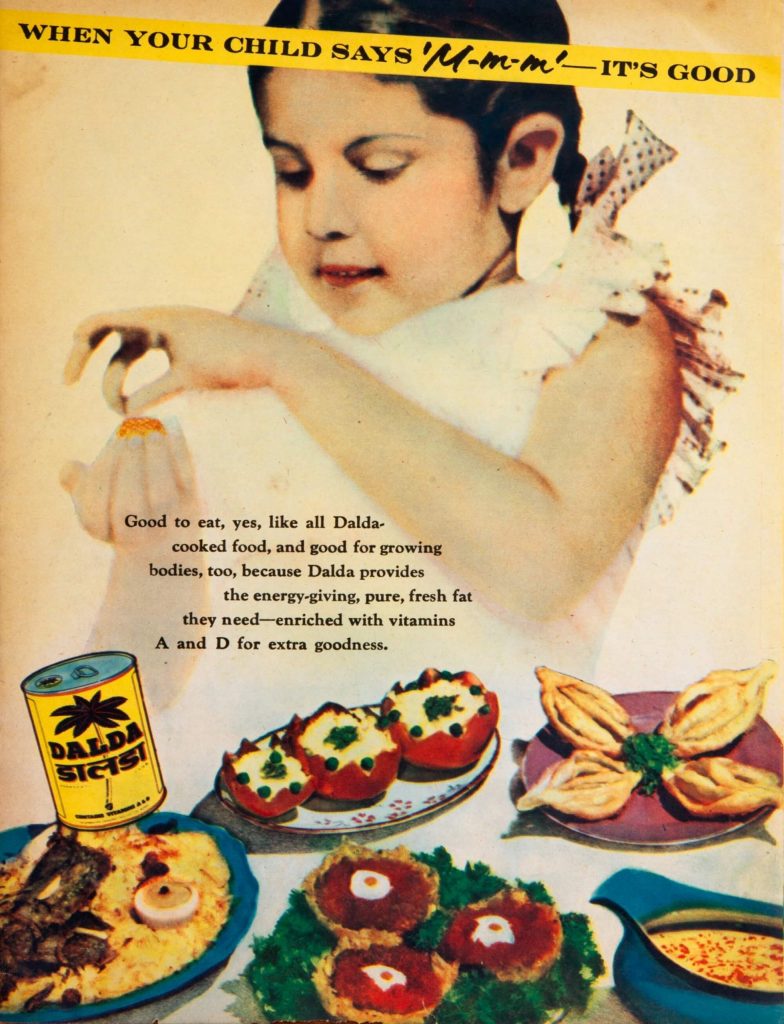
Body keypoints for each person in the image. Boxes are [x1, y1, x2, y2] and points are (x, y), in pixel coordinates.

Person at [61, 0, 739, 793]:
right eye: (292, 170)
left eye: (379, 166)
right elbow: (154, 668)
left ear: (523, 158)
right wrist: (150, 544)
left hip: (493, 836)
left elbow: (542, 568)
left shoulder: (603, 333)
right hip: (249, 817)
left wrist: (284, 362)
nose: (322, 218)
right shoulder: (273, 326)